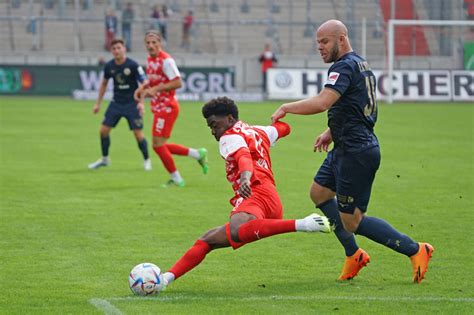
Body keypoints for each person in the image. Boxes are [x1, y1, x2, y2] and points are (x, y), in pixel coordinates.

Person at [271, 19, 434, 284]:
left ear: (341, 38)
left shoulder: (344, 66)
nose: (320, 48)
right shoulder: (359, 63)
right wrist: (331, 132)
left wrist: (287, 107)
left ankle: (416, 249)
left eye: (324, 42)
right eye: (318, 43)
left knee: (352, 221)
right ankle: (354, 254)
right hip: (345, 146)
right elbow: (356, 106)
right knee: (319, 193)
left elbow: (324, 102)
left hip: (356, 153)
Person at [160, 97, 332, 288]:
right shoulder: (258, 131)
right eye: (210, 126)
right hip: (270, 197)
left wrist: (244, 178)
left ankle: (304, 223)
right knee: (207, 240)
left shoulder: (229, 136)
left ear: (230, 118)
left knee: (236, 229)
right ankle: (165, 279)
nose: (213, 131)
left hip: (254, 193)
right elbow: (284, 129)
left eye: (214, 124)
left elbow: (243, 157)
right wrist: (278, 121)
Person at [134, 30, 208, 187]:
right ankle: (197, 154)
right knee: (159, 145)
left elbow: (177, 82)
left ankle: (177, 179)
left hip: (167, 107)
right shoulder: (150, 60)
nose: (151, 45)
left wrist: (156, 89)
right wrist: (142, 89)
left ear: (160, 43)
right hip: (159, 106)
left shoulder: (166, 61)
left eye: (154, 42)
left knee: (158, 145)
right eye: (148, 43)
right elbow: (153, 80)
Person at [88, 38, 151, 171]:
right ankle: (105, 159)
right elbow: (104, 84)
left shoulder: (133, 65)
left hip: (132, 104)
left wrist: (141, 103)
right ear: (111, 51)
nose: (116, 50)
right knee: (103, 131)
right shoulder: (109, 66)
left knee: (138, 134)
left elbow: (145, 83)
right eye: (114, 48)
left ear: (124, 49)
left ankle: (147, 160)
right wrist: (97, 103)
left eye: (119, 48)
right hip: (116, 103)